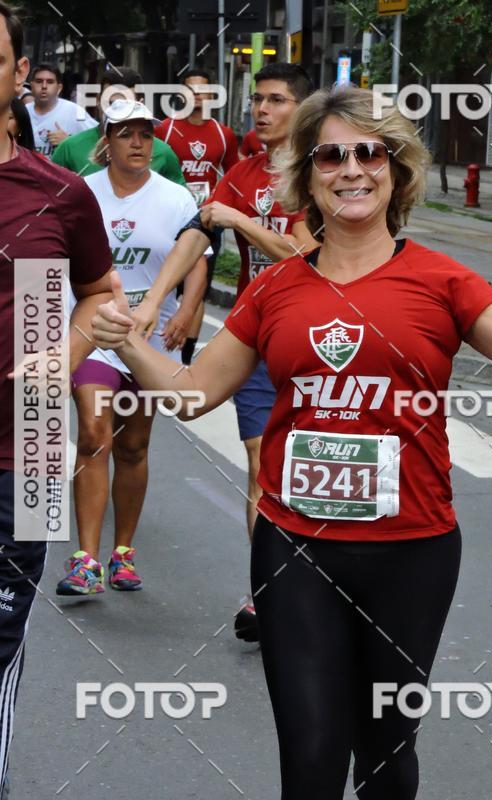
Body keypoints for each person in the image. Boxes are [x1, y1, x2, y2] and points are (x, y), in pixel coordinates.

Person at [91, 85, 492, 799]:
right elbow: (195, 394)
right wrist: (129, 343)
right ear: (309, 177)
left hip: (412, 551)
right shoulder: (275, 289)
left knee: (386, 756)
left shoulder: (447, 280)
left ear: (398, 170)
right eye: (331, 154)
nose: (351, 168)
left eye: (369, 152)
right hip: (295, 548)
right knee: (313, 754)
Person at [133, 62, 317, 640]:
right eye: (258, 100)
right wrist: (155, 302)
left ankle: (322, 585)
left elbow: (303, 254)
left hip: (319, 342)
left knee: (307, 471)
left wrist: (237, 217)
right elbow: (198, 233)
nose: (262, 110)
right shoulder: (241, 171)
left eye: (277, 100)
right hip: (258, 337)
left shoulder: (326, 171)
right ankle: (266, 590)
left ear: (304, 109)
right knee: (262, 467)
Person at [0, 3, 113, 795]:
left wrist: (62, 354)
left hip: (27, 451)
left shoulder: (60, 191)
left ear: (16, 76)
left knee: (0, 644)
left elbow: (103, 296)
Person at [56, 99, 204, 595]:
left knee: (133, 446)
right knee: (95, 432)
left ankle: (123, 552)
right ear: (107, 140)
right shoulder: (81, 193)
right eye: (127, 134)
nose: (139, 143)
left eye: (146, 133)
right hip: (95, 333)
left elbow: (196, 258)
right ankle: (85, 560)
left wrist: (186, 310)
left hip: (148, 341)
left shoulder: (177, 198)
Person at [155, 68, 239, 362]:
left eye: (203, 90)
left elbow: (232, 177)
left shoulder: (223, 134)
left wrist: (223, 208)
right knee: (166, 284)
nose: (197, 96)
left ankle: (186, 357)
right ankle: (155, 343)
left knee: (197, 288)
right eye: (191, 89)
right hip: (169, 219)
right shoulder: (164, 129)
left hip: (206, 220)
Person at [52, 66, 186, 186]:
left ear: (140, 103)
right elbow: (49, 199)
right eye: (111, 103)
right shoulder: (69, 149)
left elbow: (180, 204)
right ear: (98, 100)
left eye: (125, 104)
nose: (117, 110)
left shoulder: (163, 153)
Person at [26, 62, 96, 156]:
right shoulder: (23, 112)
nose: (44, 86)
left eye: (50, 82)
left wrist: (68, 141)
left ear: (59, 88)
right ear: (32, 86)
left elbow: (98, 141)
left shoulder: (74, 111)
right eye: (39, 81)